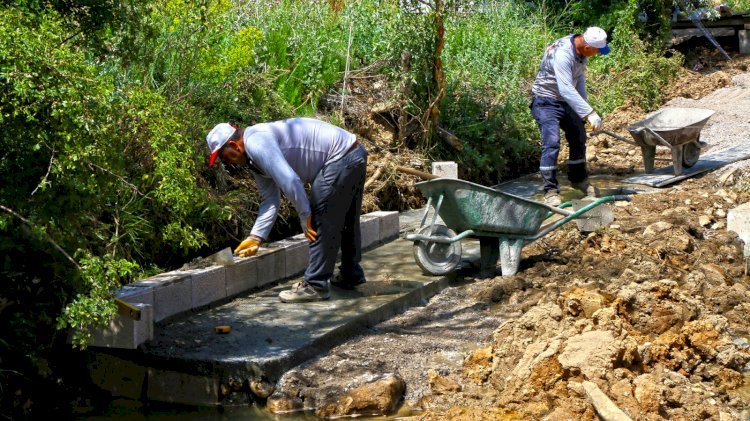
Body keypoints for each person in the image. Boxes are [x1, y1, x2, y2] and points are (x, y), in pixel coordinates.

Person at [206, 118, 368, 303]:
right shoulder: (253, 159)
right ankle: (351, 273)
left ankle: (315, 285)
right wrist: (255, 237)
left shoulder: (257, 142)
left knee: (319, 219)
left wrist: (305, 215)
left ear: (234, 145)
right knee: (346, 218)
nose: (225, 162)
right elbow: (270, 199)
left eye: (223, 156)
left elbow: (290, 181)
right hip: (353, 152)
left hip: (340, 157)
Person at [530, 26, 610, 206]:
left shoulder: (581, 52)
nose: (597, 54)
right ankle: (550, 190)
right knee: (552, 142)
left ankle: (578, 179)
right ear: (588, 47)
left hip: (565, 100)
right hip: (545, 100)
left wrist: (585, 111)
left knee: (579, 136)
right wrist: (589, 113)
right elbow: (566, 88)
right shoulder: (564, 54)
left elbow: (578, 80)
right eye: (597, 51)